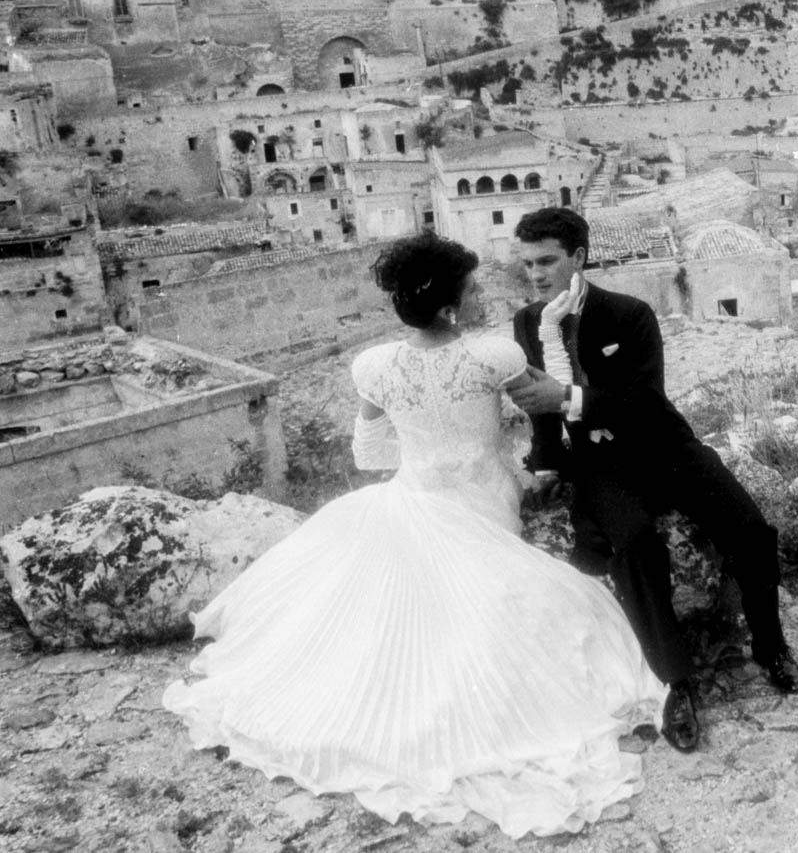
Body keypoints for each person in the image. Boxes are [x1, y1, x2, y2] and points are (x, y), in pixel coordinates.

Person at [163, 234, 667, 838]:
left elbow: (369, 452)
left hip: (412, 496)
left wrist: (425, 448)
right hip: (482, 503)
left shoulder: (373, 365)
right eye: (473, 287)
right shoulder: (495, 356)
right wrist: (520, 468)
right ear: (453, 307)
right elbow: (552, 401)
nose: (482, 293)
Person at [507, 207, 798, 756]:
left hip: (665, 448)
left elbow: (643, 400)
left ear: (579, 257)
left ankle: (770, 643)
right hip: (601, 466)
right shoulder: (527, 324)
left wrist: (569, 397)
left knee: (751, 530)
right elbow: (538, 410)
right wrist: (546, 460)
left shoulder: (629, 313)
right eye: (528, 265)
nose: (538, 275)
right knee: (635, 544)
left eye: (547, 261)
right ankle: (676, 681)